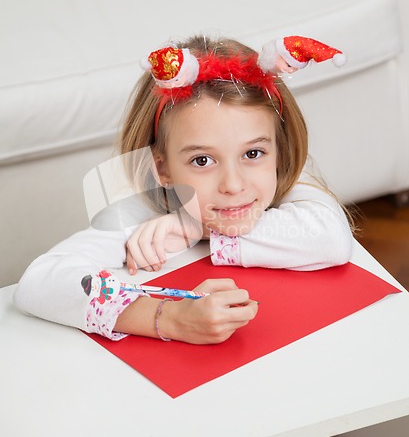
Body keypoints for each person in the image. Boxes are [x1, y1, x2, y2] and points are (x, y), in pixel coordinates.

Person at [14, 34, 353, 346]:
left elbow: (332, 240)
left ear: (277, 150)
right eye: (203, 160)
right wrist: (168, 319)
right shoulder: (139, 217)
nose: (234, 185)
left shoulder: (288, 178)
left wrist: (198, 228)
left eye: (253, 154)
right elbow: (38, 282)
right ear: (161, 168)